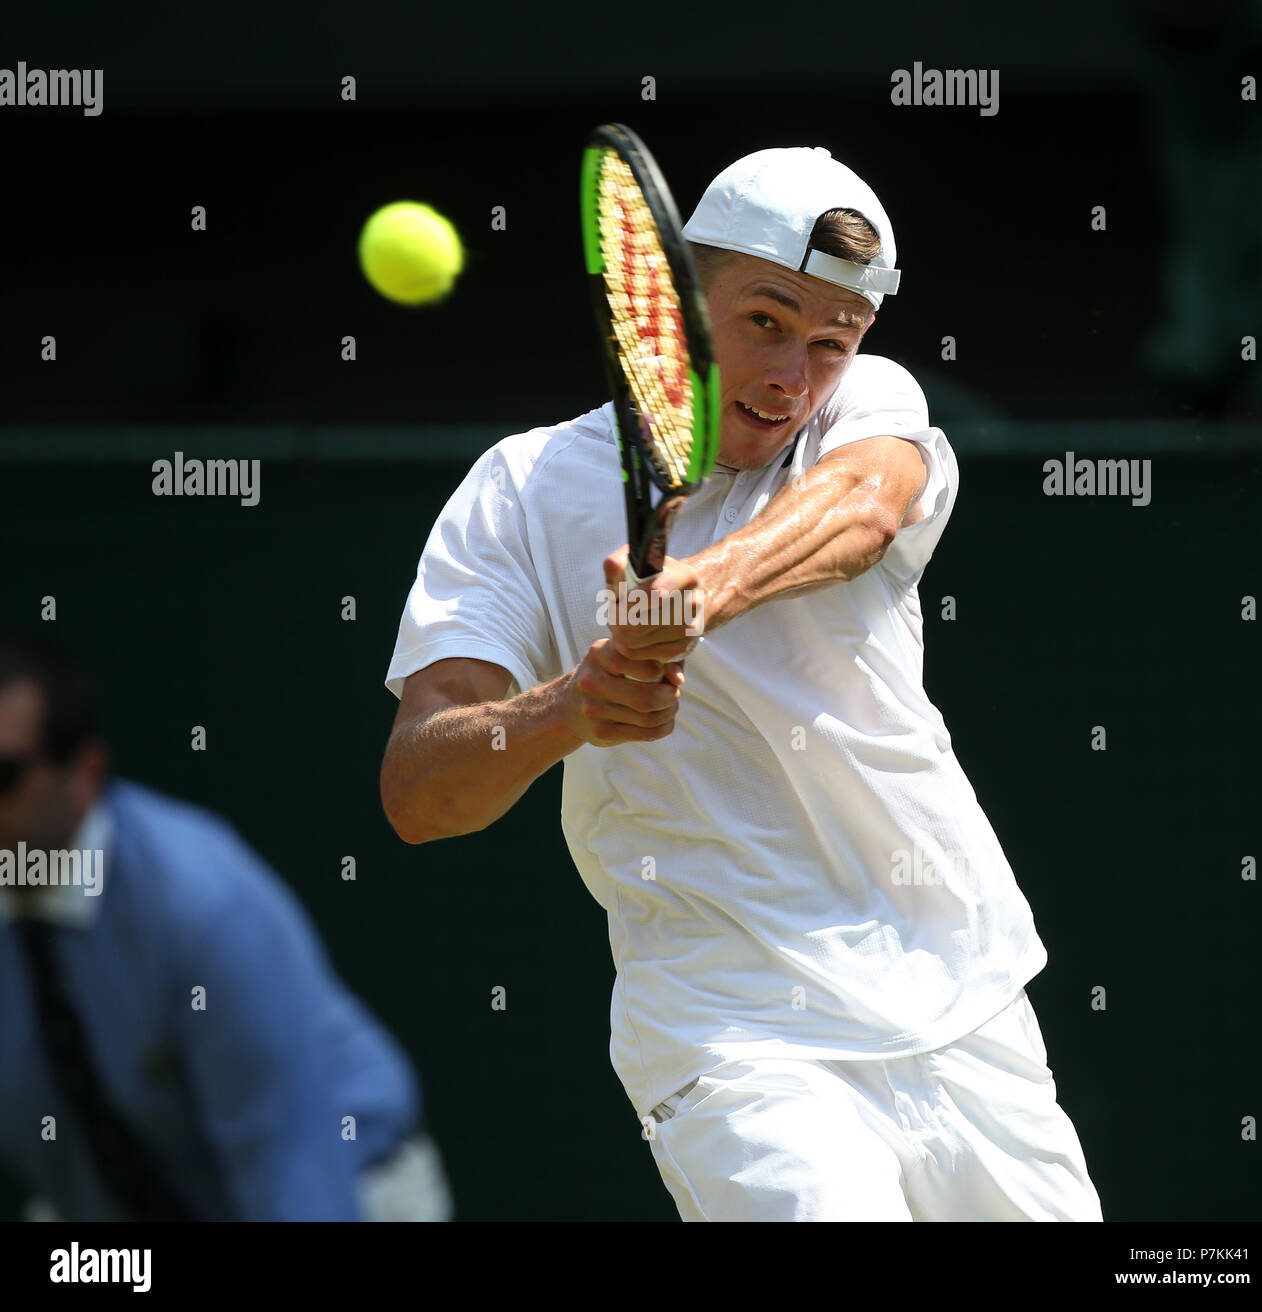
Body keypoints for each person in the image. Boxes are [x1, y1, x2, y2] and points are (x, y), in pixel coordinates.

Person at [381, 146, 1102, 1222]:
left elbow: (861, 512)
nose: (791, 376)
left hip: (962, 1000)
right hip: (732, 1027)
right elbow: (420, 792)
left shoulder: (868, 408)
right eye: (764, 321)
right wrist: (572, 706)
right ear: (665, 303)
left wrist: (691, 596)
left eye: (830, 339)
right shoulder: (520, 489)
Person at [0, 634, 451, 1222]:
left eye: (3, 774)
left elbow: (295, 1185)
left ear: (84, 773)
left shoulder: (203, 908)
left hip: (343, 1191)